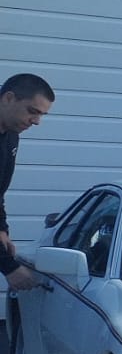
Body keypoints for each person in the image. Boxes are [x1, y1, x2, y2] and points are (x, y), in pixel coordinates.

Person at [2, 73, 56, 292]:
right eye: (32, 111)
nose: (36, 121)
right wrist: (9, 268)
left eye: (42, 115)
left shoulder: (11, 135)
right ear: (8, 98)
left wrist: (1, 228)